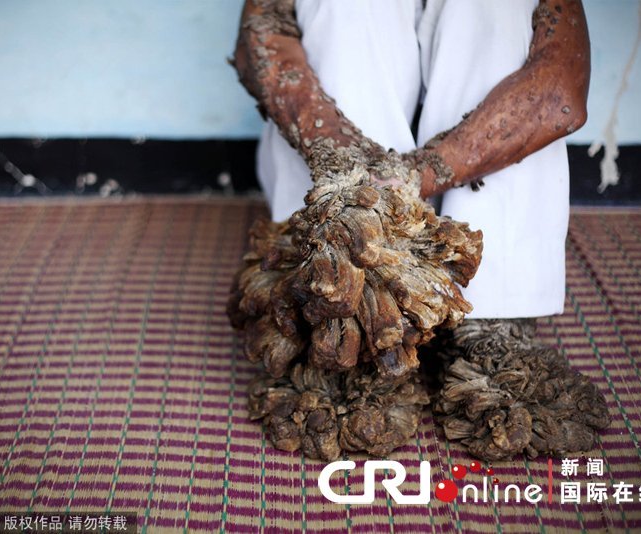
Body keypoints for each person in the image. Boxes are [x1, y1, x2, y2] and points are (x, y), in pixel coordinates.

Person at [232, 0, 609, 460]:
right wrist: (348, 169)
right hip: (347, 177)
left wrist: (414, 174)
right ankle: (344, 306)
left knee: (497, 8)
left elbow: (558, 87)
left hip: (430, 162)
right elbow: (263, 30)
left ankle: (493, 311)